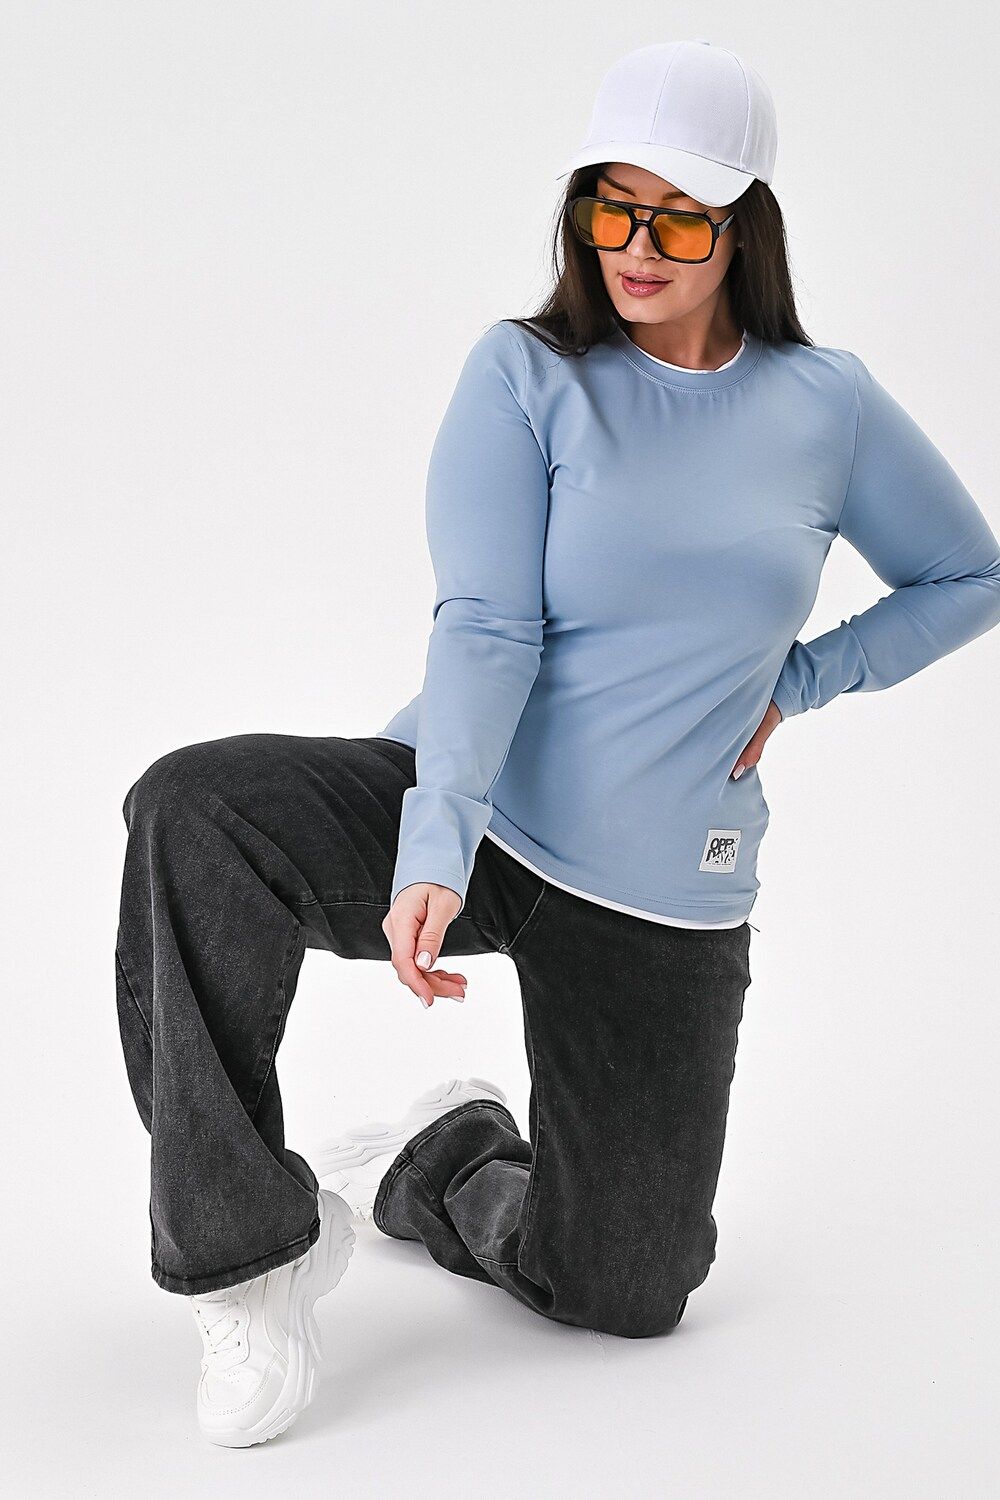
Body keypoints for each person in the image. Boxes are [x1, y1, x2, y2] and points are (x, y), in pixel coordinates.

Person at [114, 38, 1000, 1447]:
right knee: (191, 808)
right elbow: (486, 625)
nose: (636, 247)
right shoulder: (527, 373)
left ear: (746, 227)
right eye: (611, 207)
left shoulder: (824, 406)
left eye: (679, 219)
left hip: (662, 884)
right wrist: (433, 846)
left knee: (627, 1292)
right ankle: (249, 1255)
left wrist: (803, 682)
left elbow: (970, 574)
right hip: (474, 808)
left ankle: (443, 1157)